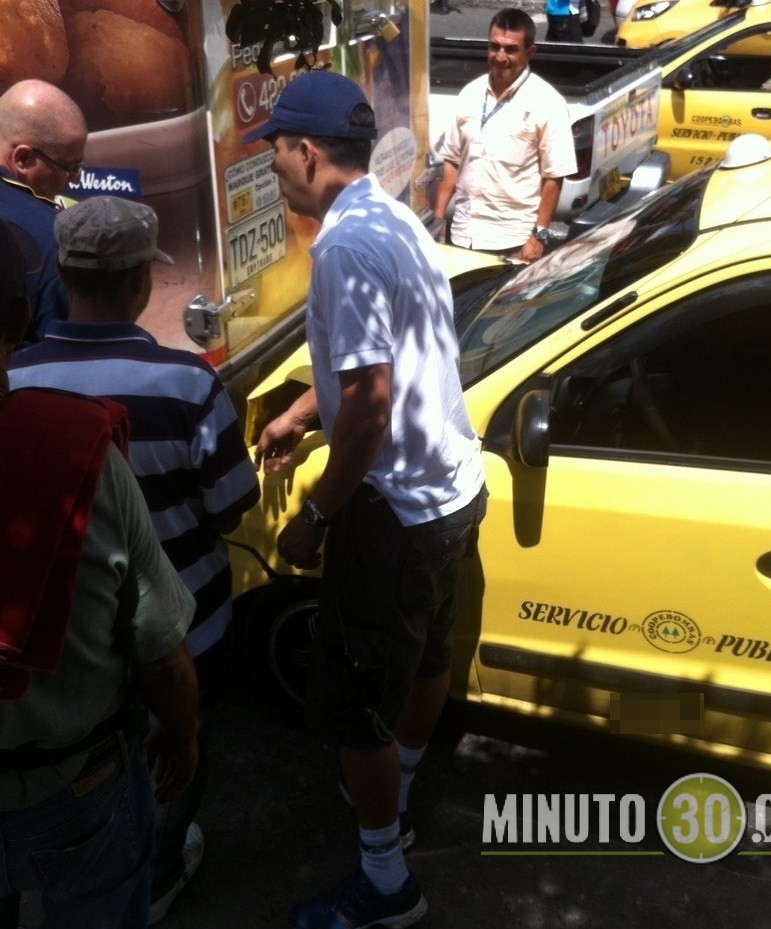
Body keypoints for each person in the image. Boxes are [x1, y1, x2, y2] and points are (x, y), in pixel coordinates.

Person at [244, 70, 487, 929]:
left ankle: (386, 880)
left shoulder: (344, 246)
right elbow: (385, 359)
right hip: (454, 492)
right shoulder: (392, 215)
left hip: (395, 513)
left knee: (354, 705)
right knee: (424, 662)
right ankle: (404, 797)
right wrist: (304, 411)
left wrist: (315, 517)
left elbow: (374, 407)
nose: (270, 166)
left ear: (307, 153)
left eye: (274, 150)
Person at [8, 195, 261, 925]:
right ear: (140, 285)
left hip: (60, 640)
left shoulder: (17, 382)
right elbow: (232, 505)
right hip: (186, 629)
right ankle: (158, 868)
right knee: (175, 749)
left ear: (61, 270)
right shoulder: (189, 384)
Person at [432, 8, 576, 261]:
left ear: (529, 53)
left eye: (510, 49)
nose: (500, 57)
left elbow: (553, 177)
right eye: (494, 47)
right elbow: (453, 160)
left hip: (513, 242)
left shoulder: (547, 102)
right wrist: (437, 217)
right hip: (462, 235)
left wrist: (538, 237)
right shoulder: (469, 94)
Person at [0, 79, 88, 343]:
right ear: (23, 159)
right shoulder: (51, 238)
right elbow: (61, 358)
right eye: (68, 167)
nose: (71, 181)